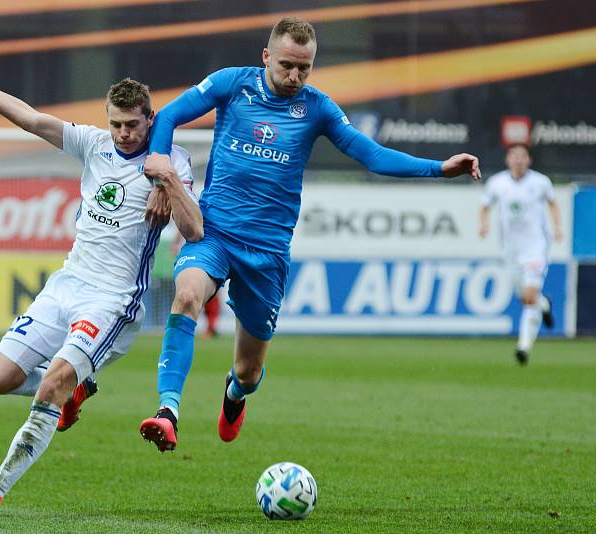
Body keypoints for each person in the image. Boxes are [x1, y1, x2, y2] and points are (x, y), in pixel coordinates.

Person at [137, 16, 482, 453]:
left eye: (305, 68)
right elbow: (166, 117)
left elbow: (371, 155)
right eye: (286, 65)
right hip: (214, 231)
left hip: (267, 252)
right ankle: (168, 412)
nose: (294, 76)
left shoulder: (316, 108)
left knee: (247, 371)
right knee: (186, 295)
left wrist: (438, 168)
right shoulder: (230, 84)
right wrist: (161, 174)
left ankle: (234, 395)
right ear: (266, 56)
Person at [0, 52, 202, 518]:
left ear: (151, 120)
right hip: (66, 283)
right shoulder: (92, 144)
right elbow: (30, 118)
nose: (124, 134)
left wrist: (169, 182)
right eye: (116, 124)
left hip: (113, 301)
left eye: (132, 125)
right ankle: (74, 391)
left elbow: (194, 231)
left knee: (50, 383)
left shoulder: (171, 161)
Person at [479, 143, 561, 365]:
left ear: (529, 160)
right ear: (508, 160)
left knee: (528, 297)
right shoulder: (497, 183)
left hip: (535, 247)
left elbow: (553, 203)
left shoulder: (540, 182)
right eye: (514, 156)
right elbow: (485, 206)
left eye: (522, 156)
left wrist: (558, 227)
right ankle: (545, 305)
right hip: (511, 250)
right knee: (526, 297)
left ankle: (523, 346)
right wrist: (484, 224)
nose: (518, 160)